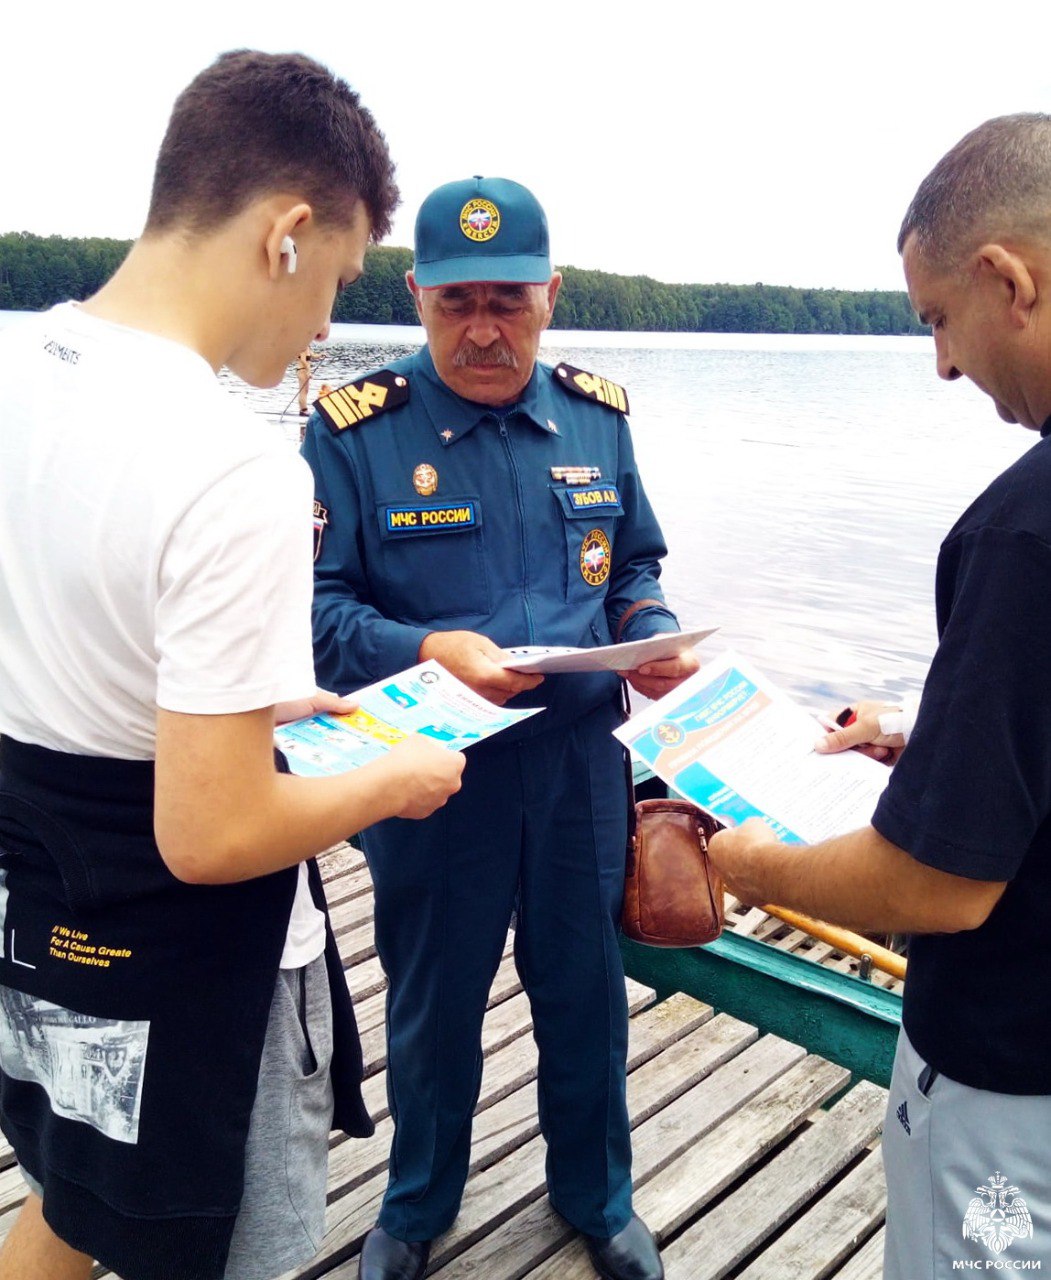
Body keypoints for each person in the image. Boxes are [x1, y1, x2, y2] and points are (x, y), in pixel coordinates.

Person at [0, 51, 465, 1280]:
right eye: (342, 279)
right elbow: (209, 832)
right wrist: (393, 779)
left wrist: (261, 699)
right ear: (286, 235)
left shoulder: (15, 375)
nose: (325, 325)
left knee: (71, 1188)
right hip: (199, 970)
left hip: (43, 913)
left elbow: (77, 636)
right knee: (223, 1245)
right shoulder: (236, 464)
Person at [302, 175, 700, 1280]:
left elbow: (634, 564)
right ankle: (416, 1205)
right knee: (432, 1007)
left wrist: (653, 634)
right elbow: (317, 613)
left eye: (510, 302)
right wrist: (429, 648)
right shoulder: (354, 433)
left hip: (578, 769)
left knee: (584, 997)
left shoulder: (596, 416)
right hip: (434, 778)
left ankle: (596, 1194)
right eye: (457, 301)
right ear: (418, 294)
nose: (483, 329)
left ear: (550, 294)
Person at [706, 113, 1051, 1279]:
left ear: (1008, 279)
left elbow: (934, 886)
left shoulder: (1021, 536)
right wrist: (920, 740)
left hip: (1012, 1086)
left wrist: (750, 867)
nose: (943, 364)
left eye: (938, 319)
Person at [298, 345, 318, 415]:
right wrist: (308, 372)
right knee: (303, 392)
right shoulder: (303, 347)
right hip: (302, 371)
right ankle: (303, 410)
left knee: (306, 391)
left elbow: (313, 355)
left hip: (305, 371)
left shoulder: (308, 347)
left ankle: (302, 410)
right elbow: (303, 360)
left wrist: (321, 355)